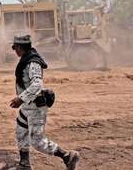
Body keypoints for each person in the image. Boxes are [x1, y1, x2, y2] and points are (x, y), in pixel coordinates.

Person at [10, 35, 80, 170]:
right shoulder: (26, 60)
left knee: (37, 142)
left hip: (36, 107)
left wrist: (21, 98)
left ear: (20, 47)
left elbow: (37, 84)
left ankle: (67, 156)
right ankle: (24, 164)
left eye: (15, 48)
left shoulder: (33, 63)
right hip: (27, 107)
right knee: (21, 132)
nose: (14, 51)